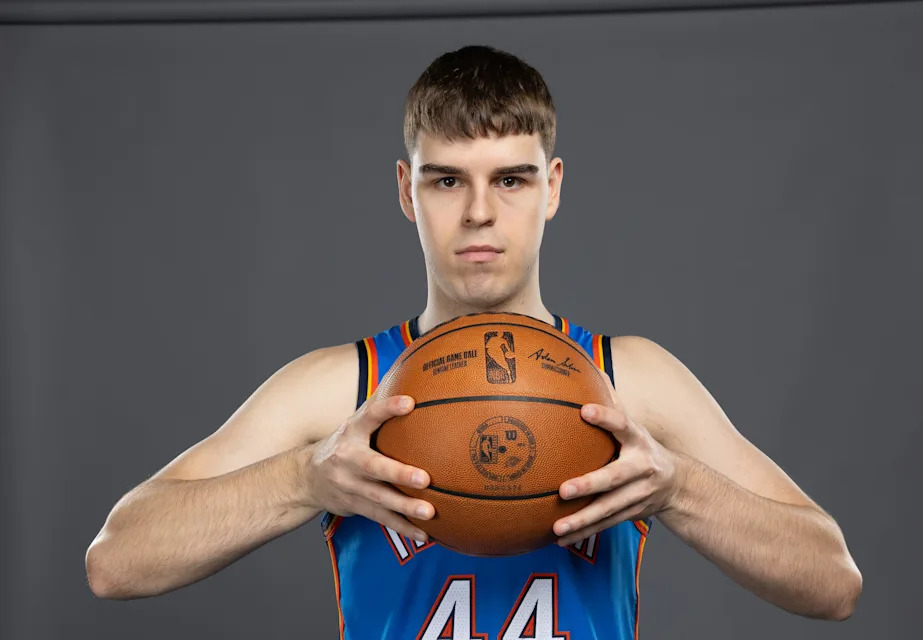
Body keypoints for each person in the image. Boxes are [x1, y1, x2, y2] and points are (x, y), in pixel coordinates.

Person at [85, 44, 862, 638]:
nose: (480, 213)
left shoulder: (629, 380)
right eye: (447, 179)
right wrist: (303, 481)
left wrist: (678, 488)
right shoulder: (344, 390)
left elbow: (833, 580)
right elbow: (115, 560)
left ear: (553, 186)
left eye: (512, 179)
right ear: (405, 190)